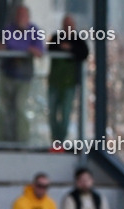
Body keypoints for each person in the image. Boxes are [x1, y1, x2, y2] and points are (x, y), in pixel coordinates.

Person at [0, 5, 44, 144]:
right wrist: (27, 48)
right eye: (19, 15)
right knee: (4, 109)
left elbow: (39, 51)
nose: (20, 18)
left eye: (23, 15)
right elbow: (4, 46)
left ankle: (21, 142)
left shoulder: (34, 30)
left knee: (19, 107)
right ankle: (2, 142)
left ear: (28, 17)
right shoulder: (9, 29)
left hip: (24, 77)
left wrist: (16, 47)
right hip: (7, 75)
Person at [47, 14, 89, 144]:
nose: (68, 27)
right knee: (52, 113)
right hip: (54, 82)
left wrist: (70, 48)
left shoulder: (78, 40)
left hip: (69, 84)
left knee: (65, 114)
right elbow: (49, 49)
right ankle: (55, 140)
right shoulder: (56, 38)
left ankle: (61, 141)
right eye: (66, 24)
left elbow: (84, 53)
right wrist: (62, 47)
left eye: (70, 24)